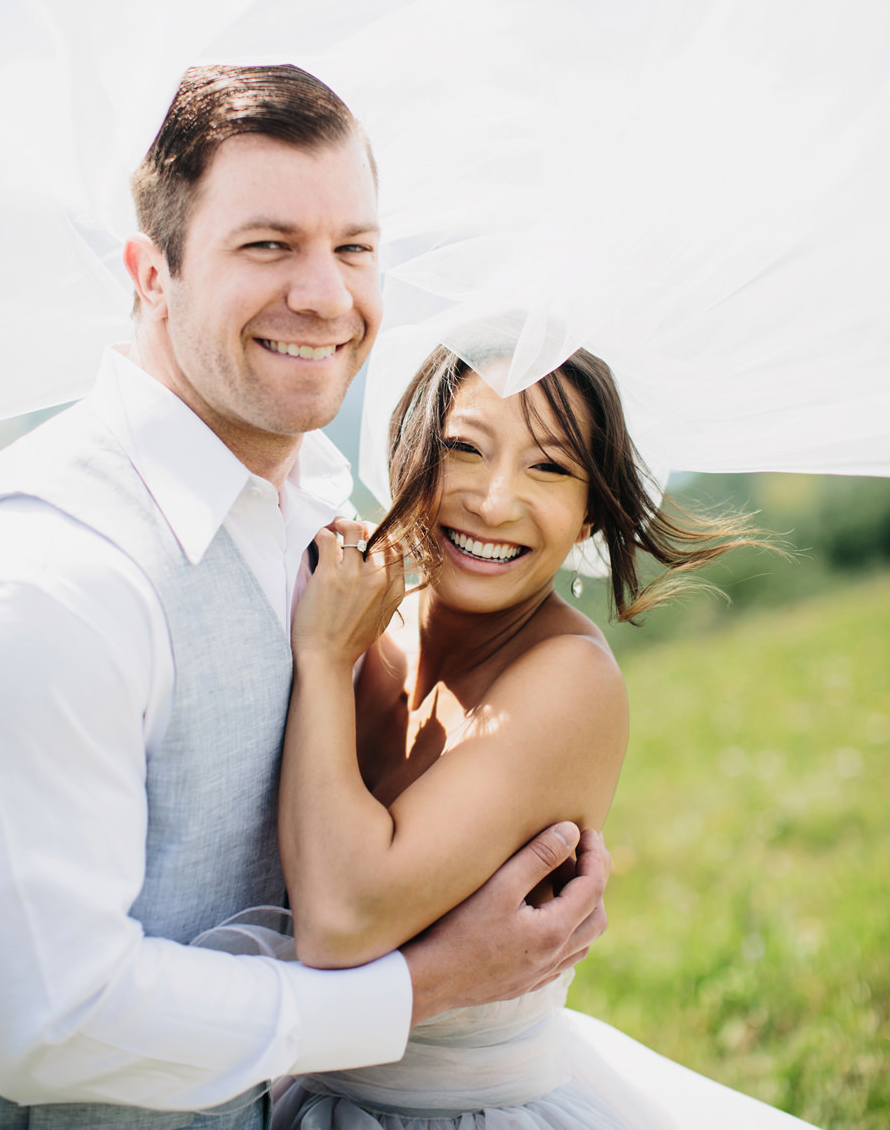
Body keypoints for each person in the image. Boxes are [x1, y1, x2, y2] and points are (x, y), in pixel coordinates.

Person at [0, 65, 609, 1127]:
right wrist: (421, 989)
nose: (327, 296)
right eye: (268, 245)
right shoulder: (61, 580)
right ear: (154, 272)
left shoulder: (324, 504)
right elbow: (50, 1017)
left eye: (354, 248)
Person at [263, 344, 811, 1128]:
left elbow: (342, 920)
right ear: (407, 457)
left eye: (548, 468)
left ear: (591, 507)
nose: (492, 502)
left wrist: (320, 661)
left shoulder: (570, 679)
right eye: (463, 449)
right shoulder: (377, 633)